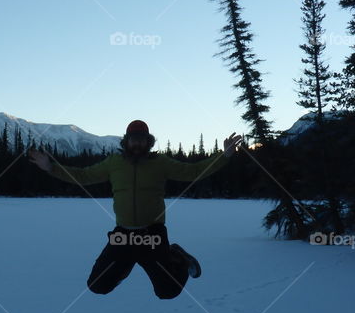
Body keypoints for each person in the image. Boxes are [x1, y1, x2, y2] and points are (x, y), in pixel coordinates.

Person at [28, 120, 243, 299]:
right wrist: (51, 168)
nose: (137, 143)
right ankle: (126, 262)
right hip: (123, 234)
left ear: (148, 142)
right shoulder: (113, 163)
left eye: (142, 139)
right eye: (133, 139)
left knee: (167, 292)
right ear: (127, 141)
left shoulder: (160, 163)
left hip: (153, 234)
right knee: (97, 285)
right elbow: (84, 176)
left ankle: (178, 257)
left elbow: (193, 171)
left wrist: (223, 156)